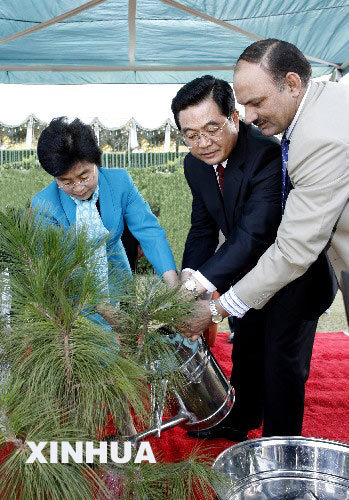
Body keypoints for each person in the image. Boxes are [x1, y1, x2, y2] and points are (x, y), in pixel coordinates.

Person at [172, 75, 335, 439]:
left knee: (281, 365)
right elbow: (202, 227)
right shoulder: (194, 165)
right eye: (191, 134)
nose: (203, 142)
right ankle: (241, 419)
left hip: (295, 277)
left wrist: (201, 285)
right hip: (244, 277)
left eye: (212, 128)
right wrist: (188, 278)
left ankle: (280, 446)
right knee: (246, 352)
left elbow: (253, 234)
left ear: (234, 117)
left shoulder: (266, 154)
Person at [183, 39, 348, 331]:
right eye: (244, 104)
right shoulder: (325, 102)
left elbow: (292, 250)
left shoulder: (317, 139)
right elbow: (202, 227)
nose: (249, 117)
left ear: (292, 83)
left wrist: (216, 309)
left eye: (256, 103)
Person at [32, 117, 178, 314]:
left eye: (84, 176)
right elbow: (51, 269)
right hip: (71, 295)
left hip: (117, 279)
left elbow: (149, 231)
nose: (78, 187)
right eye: (66, 182)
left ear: (96, 163)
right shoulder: (44, 205)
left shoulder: (119, 182)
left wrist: (173, 285)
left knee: (125, 336)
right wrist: (101, 309)